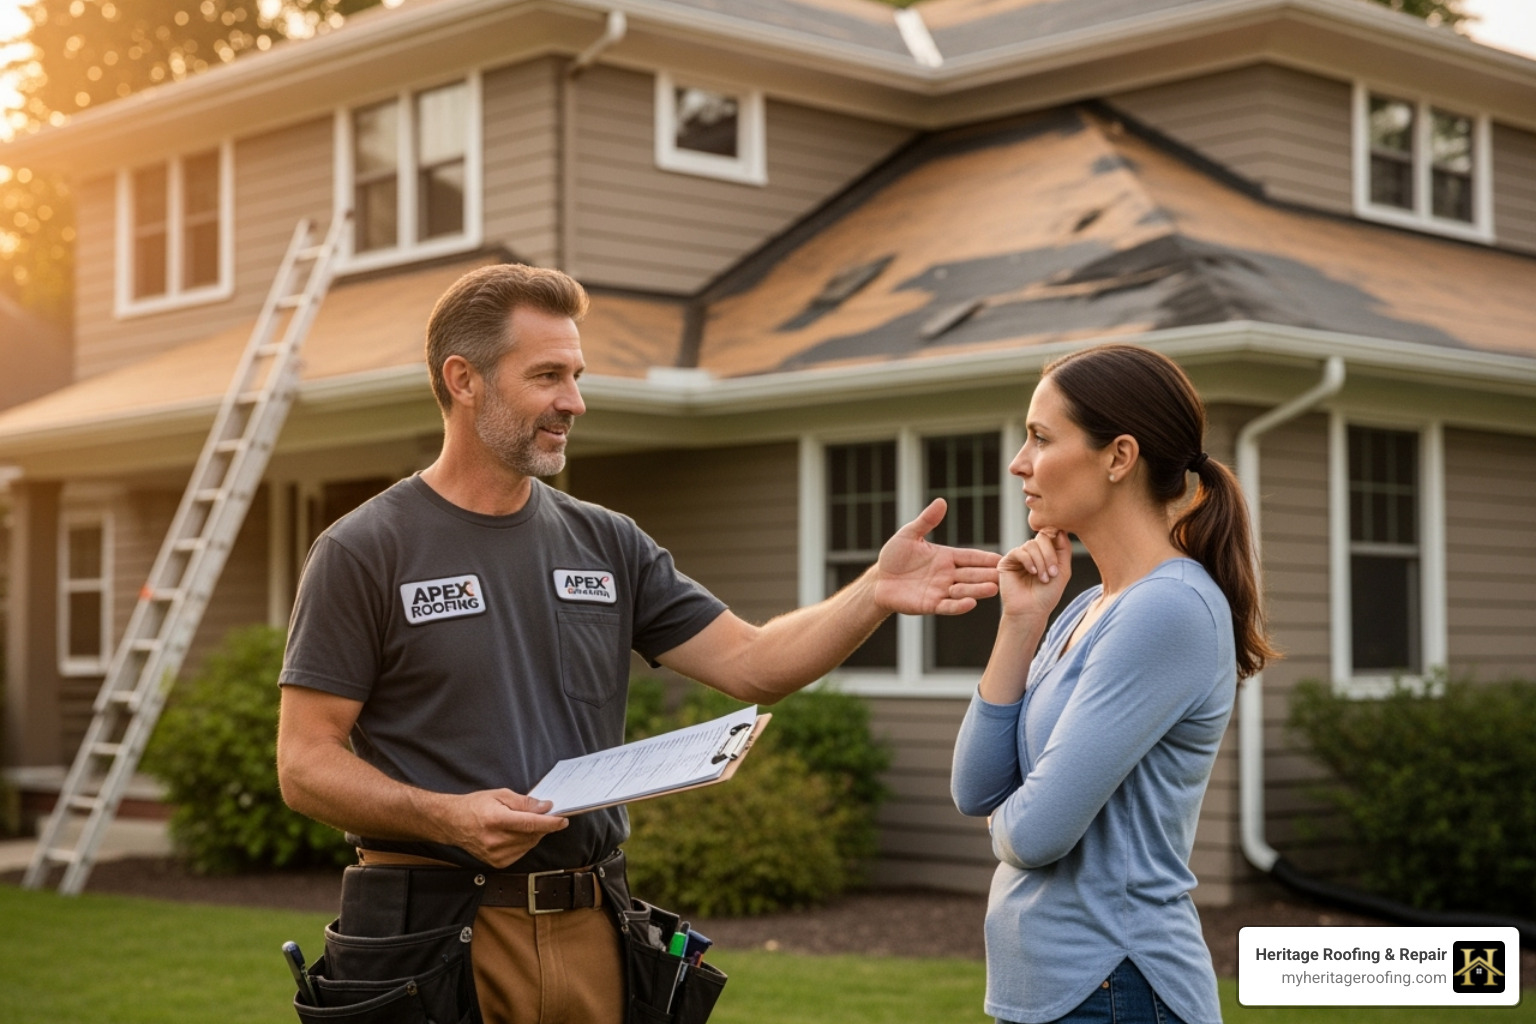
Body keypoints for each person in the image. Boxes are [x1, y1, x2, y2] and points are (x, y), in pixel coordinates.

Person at [275, 262, 1001, 1024]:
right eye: (548, 375)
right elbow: (304, 764)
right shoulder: (363, 550)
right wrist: (445, 816)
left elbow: (754, 664)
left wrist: (872, 593)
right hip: (429, 941)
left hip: (596, 927)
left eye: (577, 375)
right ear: (464, 379)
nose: (574, 402)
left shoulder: (606, 542)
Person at [950, 343, 1278, 1024]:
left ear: (1118, 456)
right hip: (1054, 990)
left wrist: (1011, 815)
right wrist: (1020, 624)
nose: (1019, 462)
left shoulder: (1169, 609)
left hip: (1116, 986)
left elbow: (1039, 833)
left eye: (1041, 438)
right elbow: (975, 788)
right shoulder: (1087, 607)